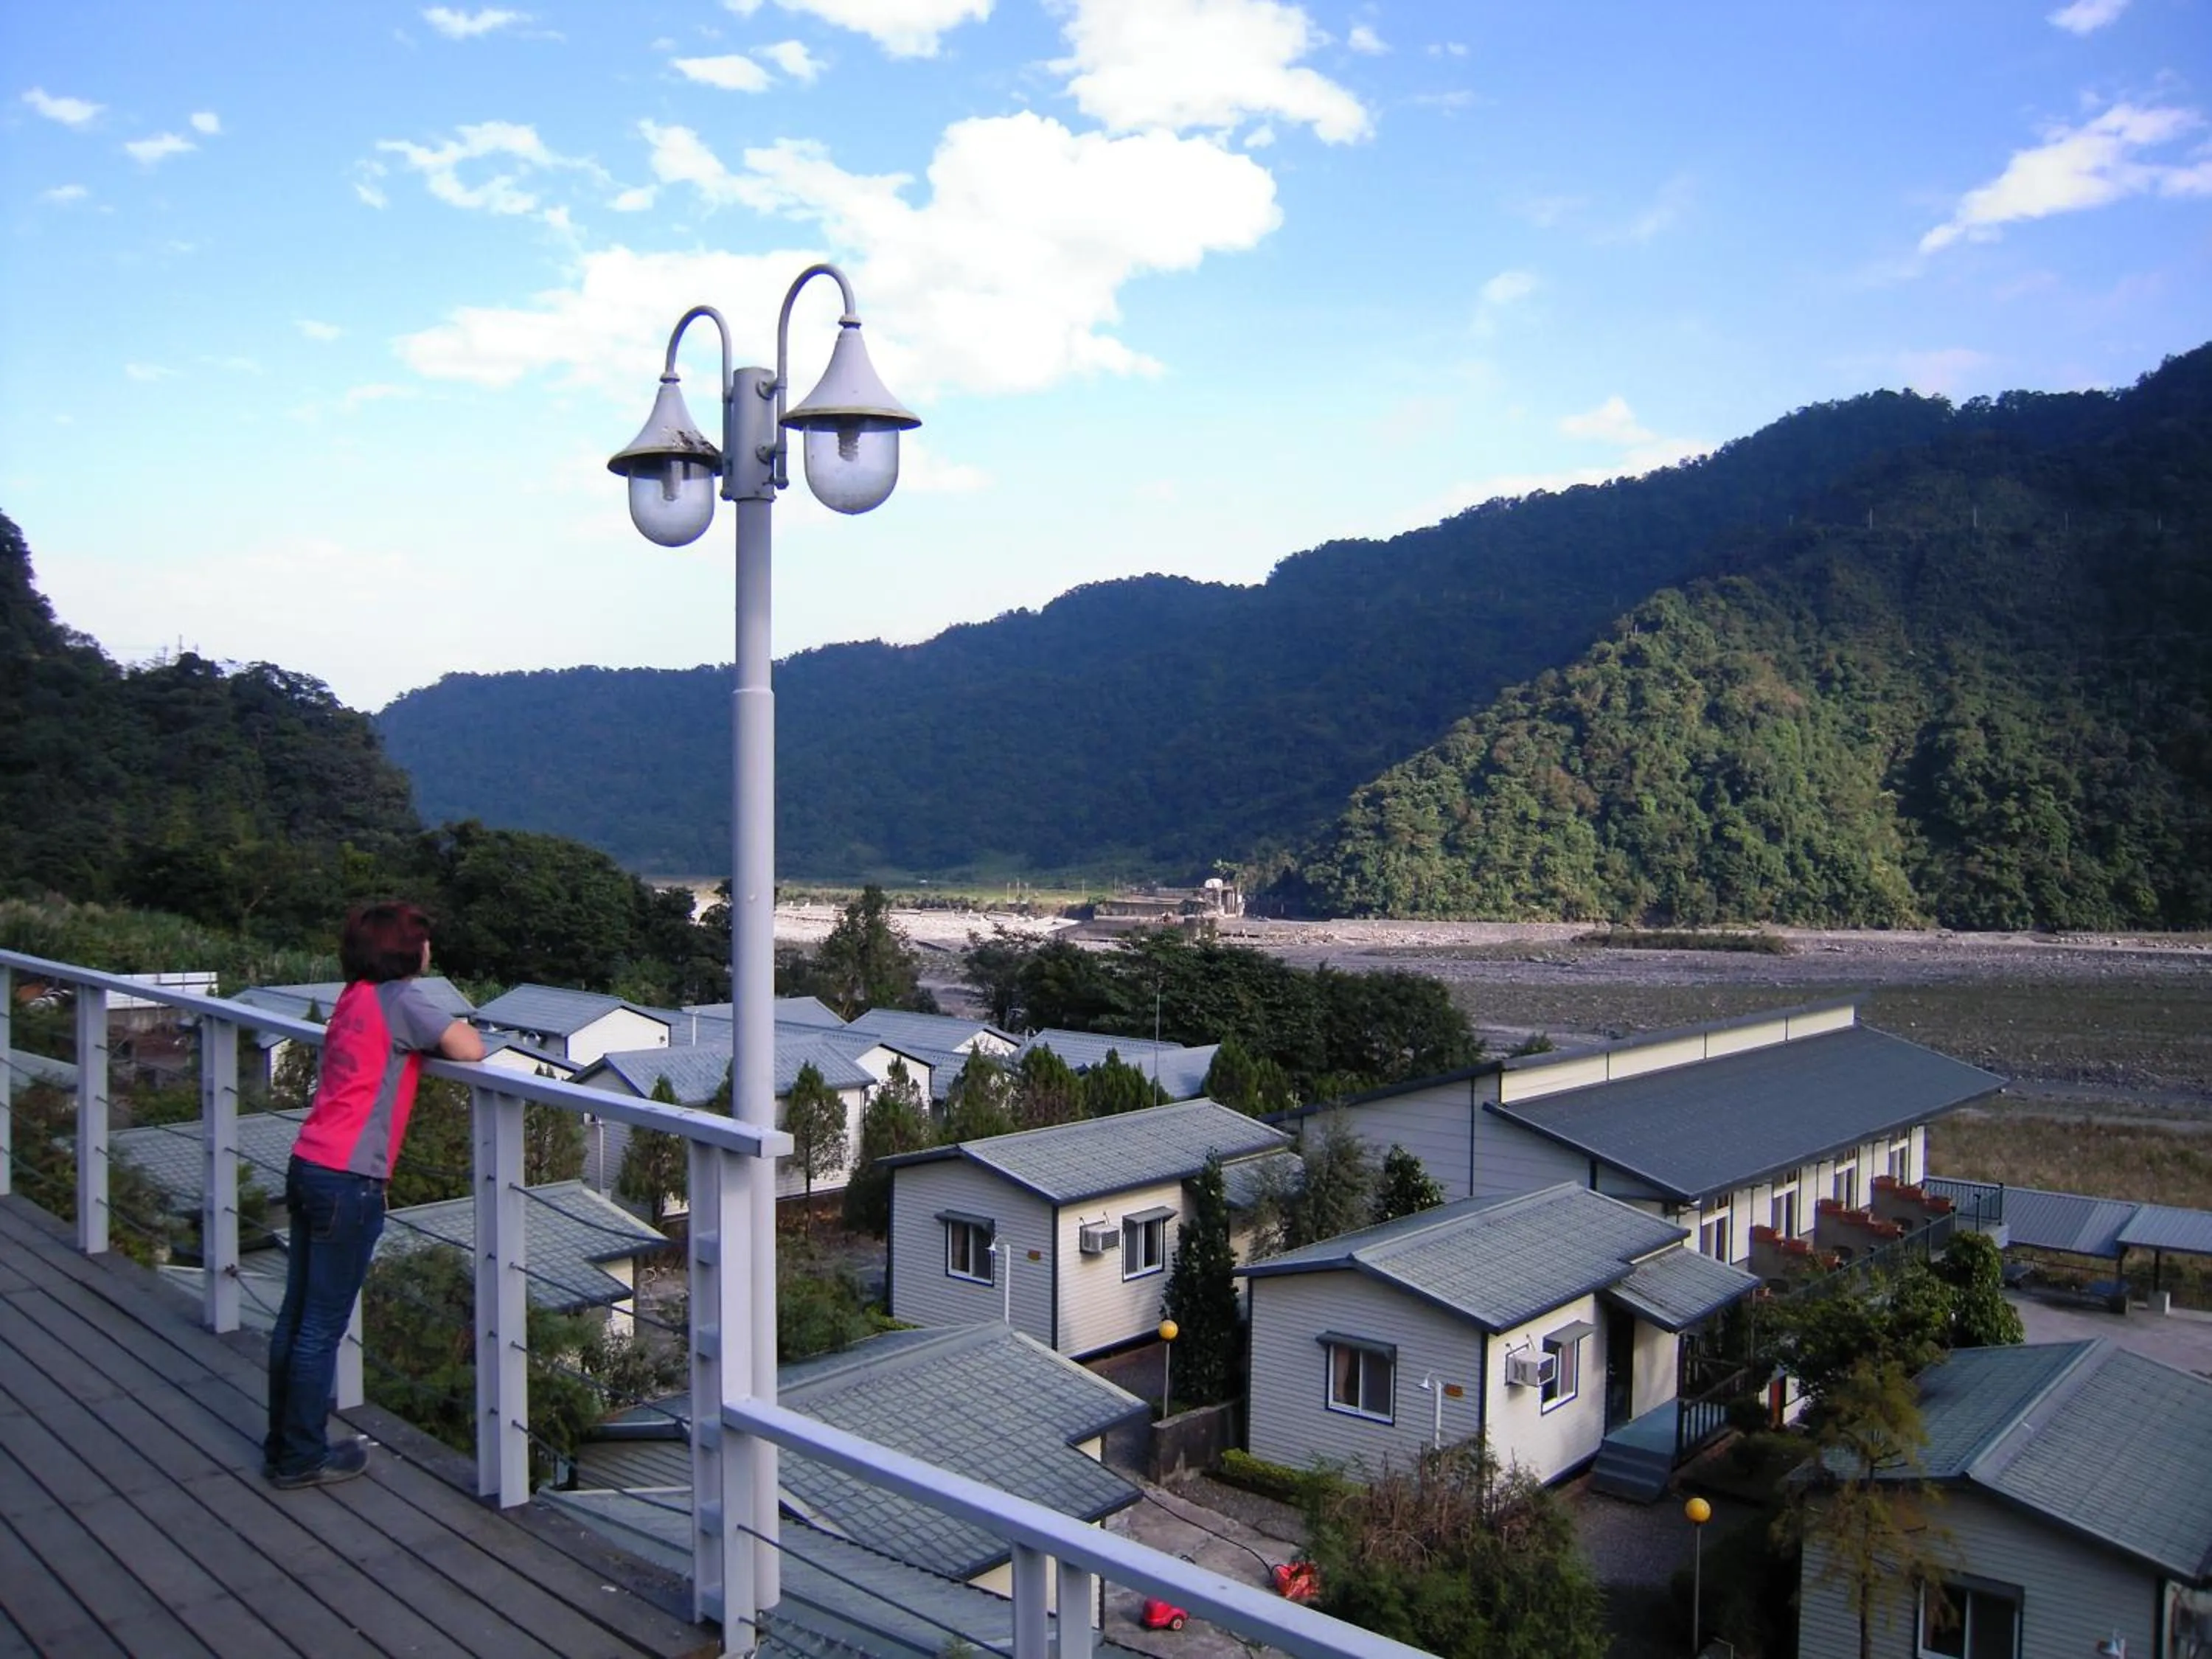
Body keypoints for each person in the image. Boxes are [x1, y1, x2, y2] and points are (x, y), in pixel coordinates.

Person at [265, 901, 484, 1489]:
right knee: (320, 1328)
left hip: (309, 1163)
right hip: (348, 1179)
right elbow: (470, 1048)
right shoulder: (401, 1000)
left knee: (296, 1318)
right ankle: (301, 1458)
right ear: (405, 950)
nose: (430, 949)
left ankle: (283, 1445)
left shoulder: (353, 997)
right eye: (423, 940)